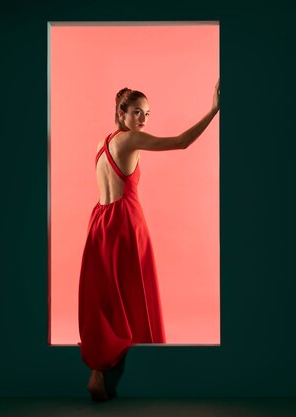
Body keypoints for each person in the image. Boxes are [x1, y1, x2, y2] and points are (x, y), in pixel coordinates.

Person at [78, 80, 220, 402]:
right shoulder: (131, 140)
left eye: (147, 114)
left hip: (100, 220)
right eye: (138, 112)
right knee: (134, 290)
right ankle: (134, 373)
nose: (143, 119)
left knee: (107, 298)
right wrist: (213, 110)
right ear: (121, 113)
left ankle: (98, 371)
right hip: (125, 221)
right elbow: (181, 142)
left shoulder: (102, 143)